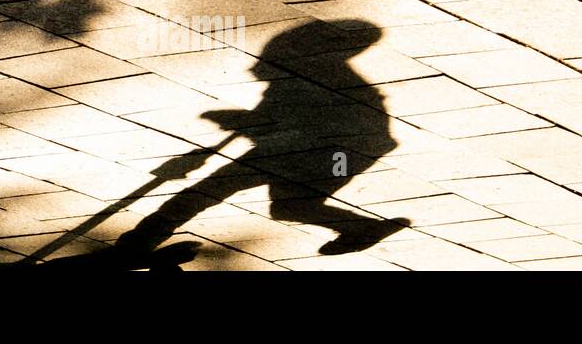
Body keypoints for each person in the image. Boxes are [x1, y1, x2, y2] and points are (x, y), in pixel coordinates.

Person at [113, 19, 408, 256]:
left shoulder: (314, 81)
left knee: (208, 191)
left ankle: (141, 241)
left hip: (329, 153)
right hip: (340, 155)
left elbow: (290, 126)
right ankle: (363, 228)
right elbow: (273, 122)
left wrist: (239, 121)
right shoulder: (305, 77)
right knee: (290, 206)